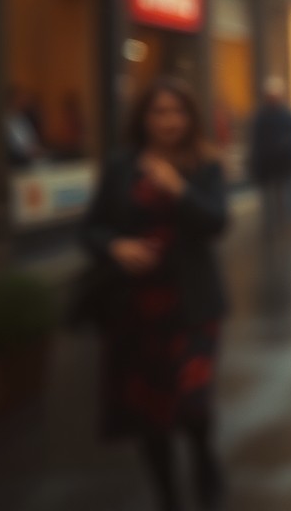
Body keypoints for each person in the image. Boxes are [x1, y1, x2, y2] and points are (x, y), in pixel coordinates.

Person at [80, 78, 230, 511]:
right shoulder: (121, 165)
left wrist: (179, 188)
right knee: (150, 410)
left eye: (177, 112)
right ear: (143, 119)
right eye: (158, 113)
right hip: (136, 309)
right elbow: (91, 228)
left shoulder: (204, 164)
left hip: (194, 306)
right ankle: (166, 494)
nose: (168, 122)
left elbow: (217, 222)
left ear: (190, 118)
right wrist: (115, 245)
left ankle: (203, 458)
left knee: (191, 401)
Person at [248, 77, 291, 256]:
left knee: (283, 195)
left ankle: (285, 224)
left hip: (283, 164)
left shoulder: (285, 115)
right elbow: (256, 142)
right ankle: (272, 226)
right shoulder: (262, 116)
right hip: (269, 165)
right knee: (271, 197)